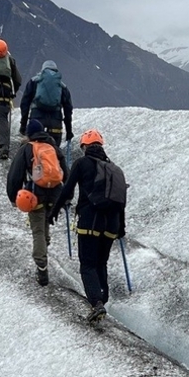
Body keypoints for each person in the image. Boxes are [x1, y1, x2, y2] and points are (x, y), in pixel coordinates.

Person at [61, 129, 126, 321]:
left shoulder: (82, 163)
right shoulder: (115, 169)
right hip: (111, 227)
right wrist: (120, 229)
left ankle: (96, 304)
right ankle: (103, 301)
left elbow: (67, 189)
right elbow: (121, 201)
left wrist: (55, 209)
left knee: (88, 265)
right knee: (101, 263)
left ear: (84, 146)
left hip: (90, 222)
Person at [4, 119, 71, 286]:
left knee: (38, 231)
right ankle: (44, 251)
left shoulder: (27, 149)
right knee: (45, 226)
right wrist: (67, 196)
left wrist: (13, 197)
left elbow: (15, 174)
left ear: (30, 134)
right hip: (55, 196)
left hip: (35, 195)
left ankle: (42, 267)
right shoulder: (53, 147)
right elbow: (65, 171)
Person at [19, 60, 74, 145]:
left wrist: (23, 126)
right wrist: (69, 131)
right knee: (54, 154)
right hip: (55, 126)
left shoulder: (34, 82)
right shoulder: (62, 86)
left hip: (36, 123)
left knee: (33, 152)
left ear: (42, 70)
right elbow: (68, 110)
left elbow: (25, 104)